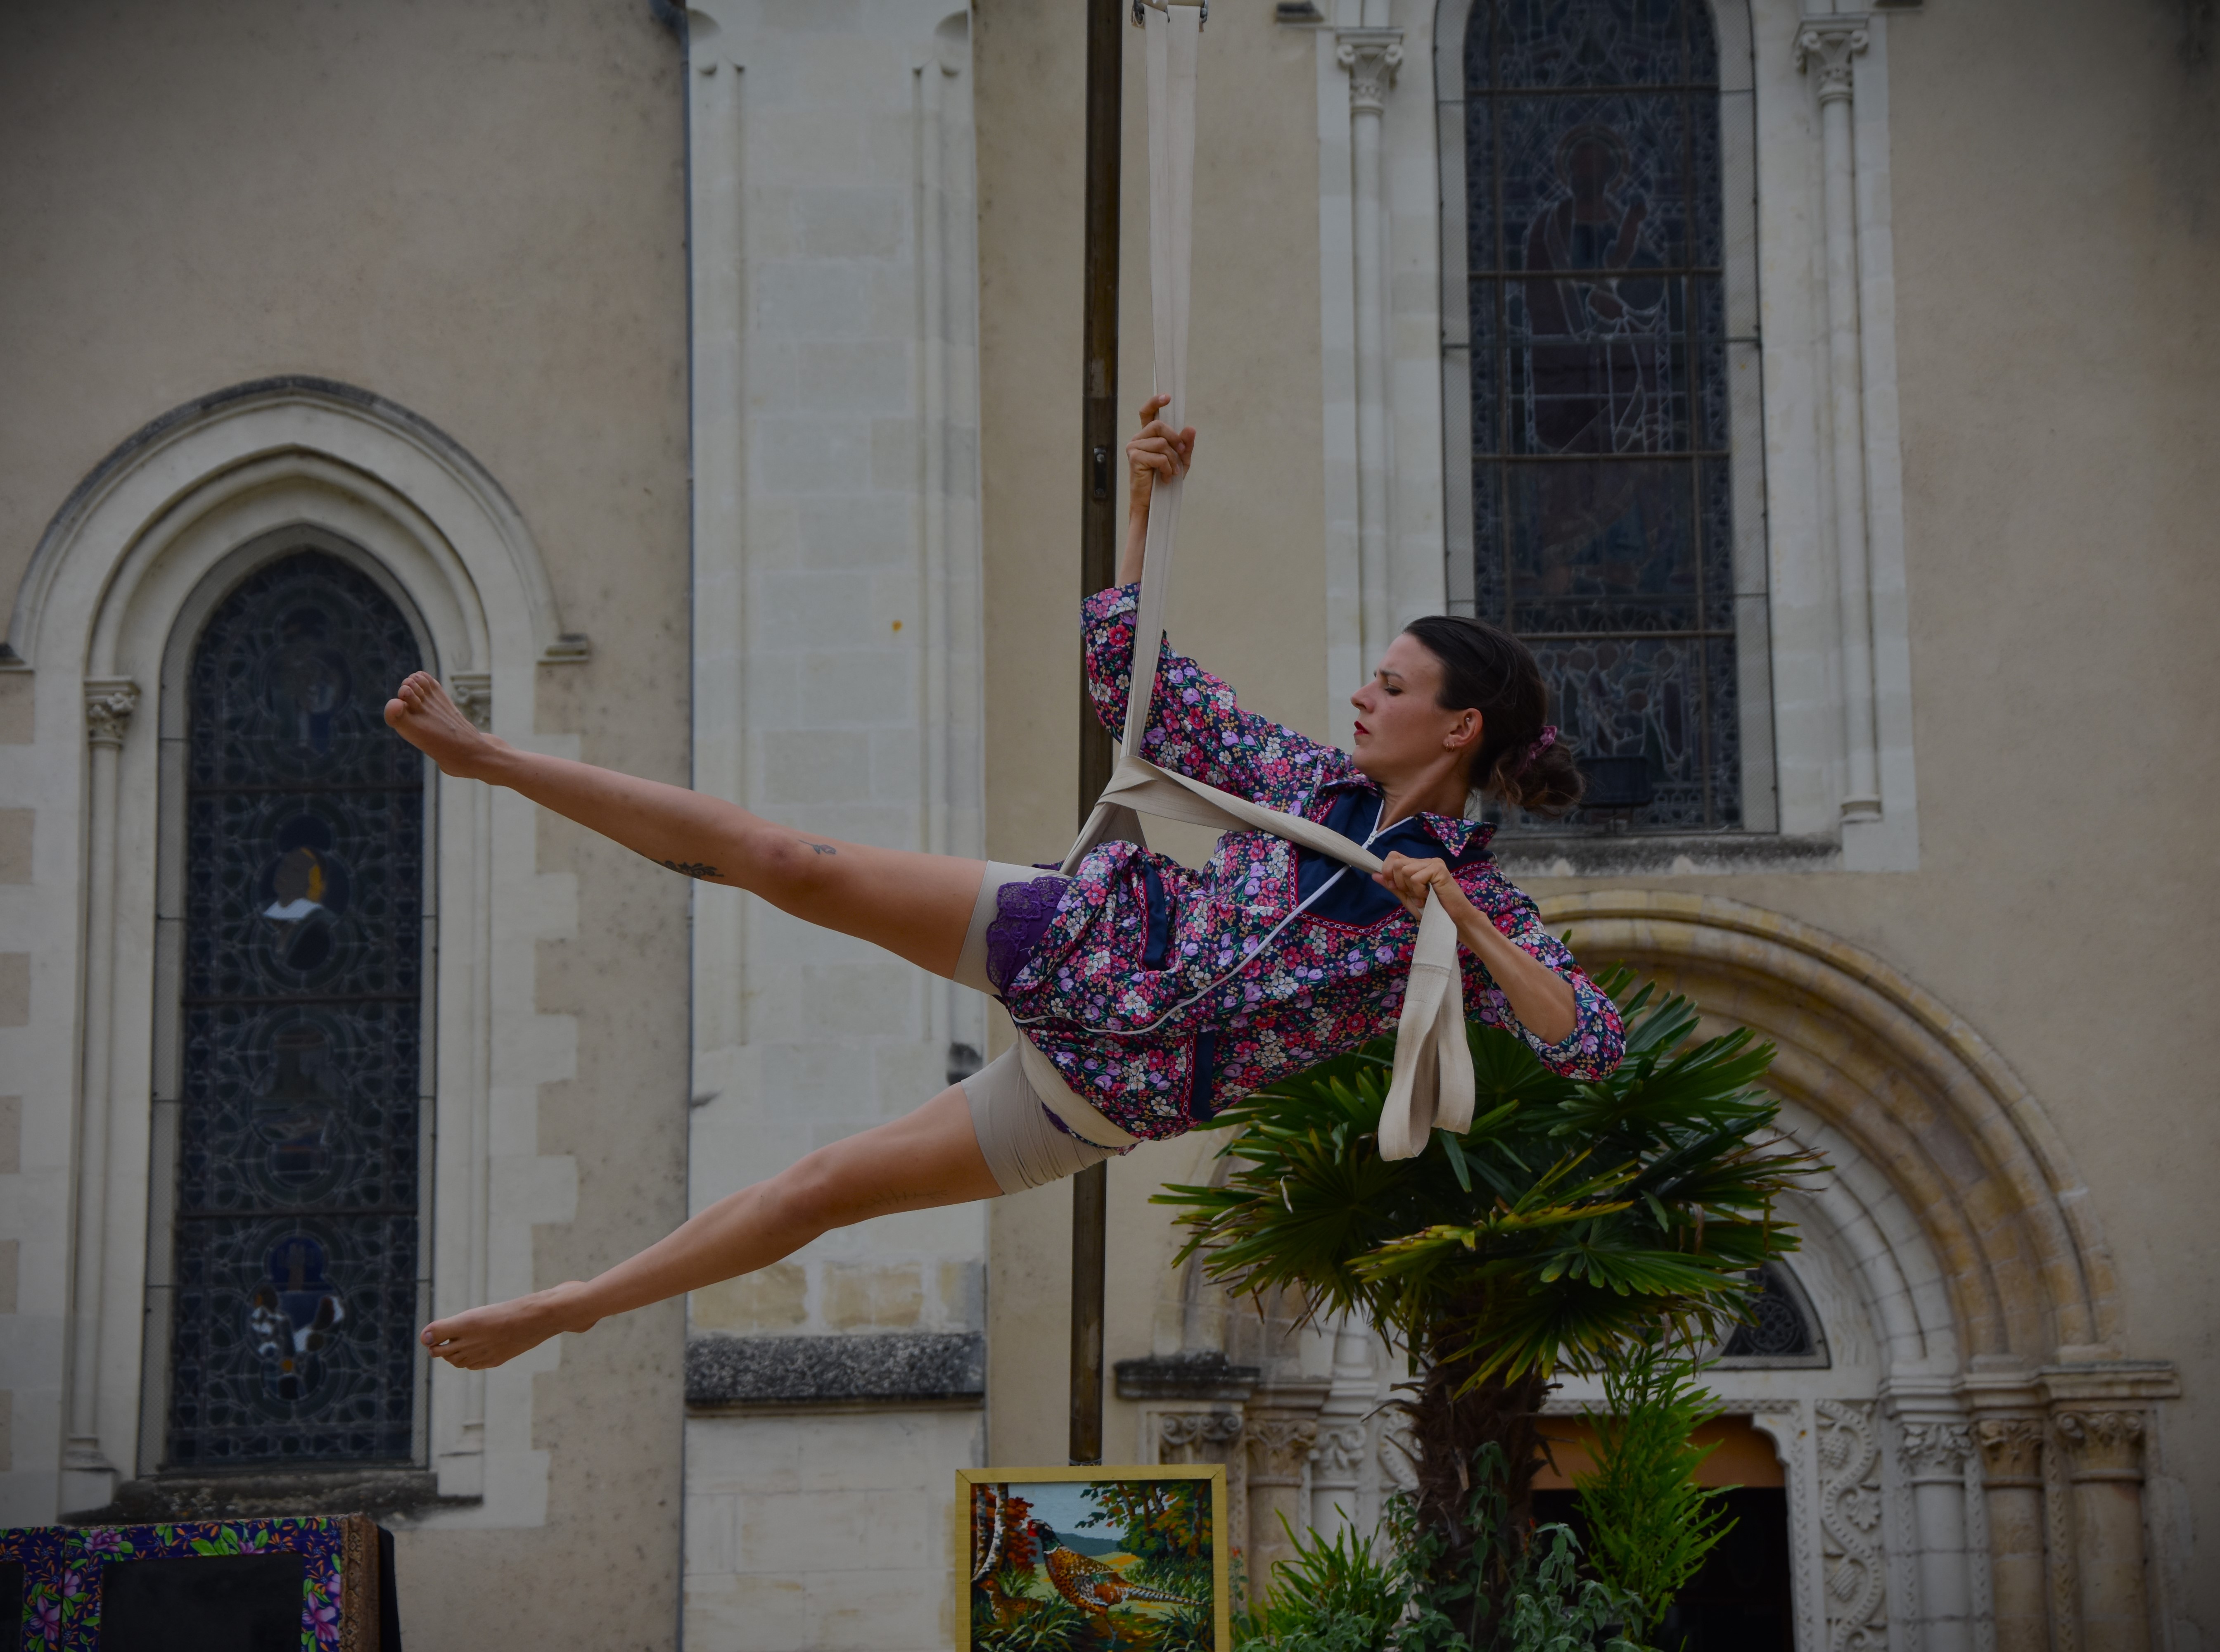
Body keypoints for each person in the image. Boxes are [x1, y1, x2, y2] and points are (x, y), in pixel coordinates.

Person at [387, 396, 1625, 1372]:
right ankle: (497, 761)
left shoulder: (1477, 912)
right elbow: (1127, 679)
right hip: (1082, 936)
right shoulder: (1300, 779)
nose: (1365, 695)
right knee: (783, 864)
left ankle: (576, 1306)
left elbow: (1590, 1046)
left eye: (1393, 687)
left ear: (1457, 730)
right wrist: (1144, 501)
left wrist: (1455, 917)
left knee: (822, 1191)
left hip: (1105, 1090)